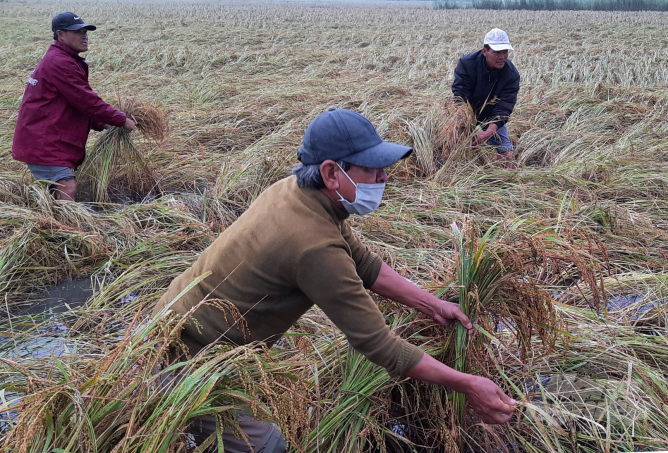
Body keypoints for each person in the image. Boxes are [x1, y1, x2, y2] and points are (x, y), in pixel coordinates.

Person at [153, 108, 516, 452]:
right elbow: (378, 345)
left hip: (180, 320)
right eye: (372, 168)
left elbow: (364, 264)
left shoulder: (298, 192)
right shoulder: (312, 246)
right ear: (331, 173)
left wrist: (432, 304)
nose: (383, 177)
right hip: (186, 359)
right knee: (266, 445)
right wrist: (468, 385)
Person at [12, 11, 136, 201]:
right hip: (44, 141)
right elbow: (86, 100)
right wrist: (121, 119)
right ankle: (66, 229)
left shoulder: (64, 59)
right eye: (77, 32)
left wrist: (100, 123)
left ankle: (52, 221)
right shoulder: (60, 62)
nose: (84, 36)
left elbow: (76, 101)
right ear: (61, 35)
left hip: (44, 137)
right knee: (66, 186)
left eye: (85, 31)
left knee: (54, 190)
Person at [451, 28, 520, 168]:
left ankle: (505, 182)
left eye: (505, 51)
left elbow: (505, 106)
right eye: (497, 52)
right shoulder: (467, 63)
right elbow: (460, 93)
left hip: (492, 115)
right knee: (456, 146)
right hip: (466, 111)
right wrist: (465, 123)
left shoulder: (511, 75)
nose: (502, 56)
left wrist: (489, 131)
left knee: (506, 154)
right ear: (485, 51)